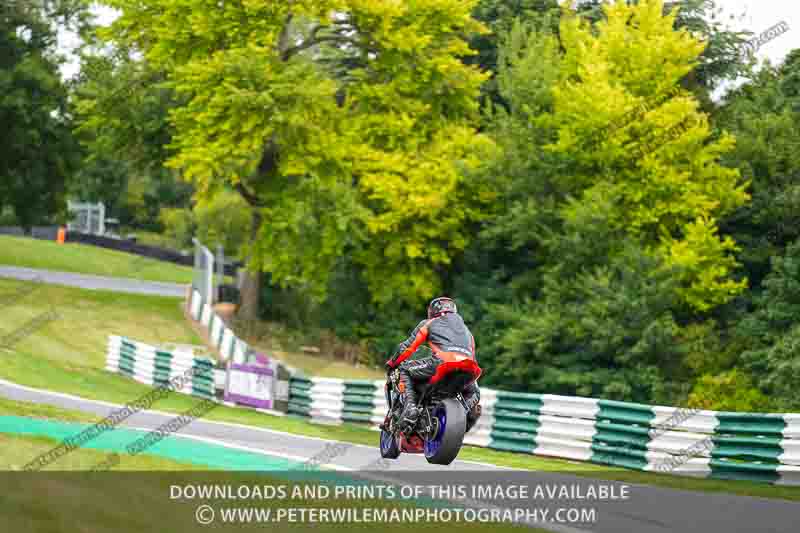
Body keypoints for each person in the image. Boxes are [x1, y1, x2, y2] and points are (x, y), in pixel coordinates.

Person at [384, 297, 482, 433]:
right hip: (469, 368)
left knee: (403, 369)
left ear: (433, 311)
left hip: (442, 363)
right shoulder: (467, 332)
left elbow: (407, 348)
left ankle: (411, 408)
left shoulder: (429, 323)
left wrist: (391, 363)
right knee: (475, 392)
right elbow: (472, 357)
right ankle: (464, 416)